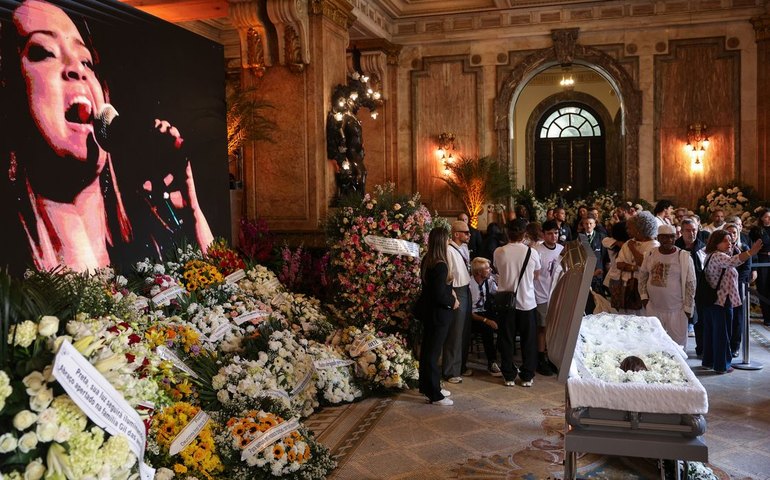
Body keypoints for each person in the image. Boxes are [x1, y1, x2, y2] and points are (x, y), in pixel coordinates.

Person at [0, 0, 213, 273]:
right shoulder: (14, 272)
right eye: (45, 52)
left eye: (87, 61)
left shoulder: (144, 235)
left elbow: (214, 288)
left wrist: (191, 210)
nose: (76, 69)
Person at [701, 229, 762, 373]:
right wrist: (750, 253)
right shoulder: (718, 256)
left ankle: (709, 362)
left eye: (730, 240)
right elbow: (732, 261)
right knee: (722, 335)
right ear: (716, 243)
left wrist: (734, 247)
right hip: (721, 301)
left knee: (712, 333)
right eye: (725, 241)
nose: (729, 243)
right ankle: (722, 365)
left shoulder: (712, 255)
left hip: (713, 301)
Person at [494, 221, 541, 387]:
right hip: (527, 301)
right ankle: (527, 376)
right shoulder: (532, 252)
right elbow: (537, 274)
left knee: (506, 339)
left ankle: (508, 375)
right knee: (528, 341)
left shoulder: (499, 252)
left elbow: (499, 271)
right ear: (524, 235)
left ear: (508, 233)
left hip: (506, 303)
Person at [417, 227, 458, 406]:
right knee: (432, 355)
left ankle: (428, 386)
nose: (449, 241)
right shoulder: (441, 264)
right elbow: (438, 294)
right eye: (448, 238)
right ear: (443, 241)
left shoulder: (428, 259)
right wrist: (452, 301)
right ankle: (435, 395)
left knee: (427, 352)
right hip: (439, 314)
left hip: (429, 313)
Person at [639, 224, 696, 348]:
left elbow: (691, 284)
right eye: (665, 237)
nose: (669, 240)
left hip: (677, 310)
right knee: (654, 345)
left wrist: (688, 308)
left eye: (672, 237)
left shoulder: (683, 256)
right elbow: (643, 276)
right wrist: (644, 298)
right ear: (658, 238)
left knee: (677, 347)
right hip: (653, 308)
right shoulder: (650, 254)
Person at [533, 220, 563, 376]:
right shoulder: (537, 251)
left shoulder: (562, 250)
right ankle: (540, 358)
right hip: (541, 294)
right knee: (542, 328)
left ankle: (552, 357)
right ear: (543, 234)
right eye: (550, 233)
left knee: (554, 328)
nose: (554, 236)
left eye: (556, 233)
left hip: (556, 295)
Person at [443, 220, 472, 383]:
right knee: (455, 332)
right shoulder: (449, 250)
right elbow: (448, 276)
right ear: (456, 234)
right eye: (466, 232)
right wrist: (453, 295)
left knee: (463, 331)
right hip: (457, 291)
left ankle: (459, 367)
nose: (469, 235)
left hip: (465, 288)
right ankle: (450, 371)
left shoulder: (462, 248)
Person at [615, 212, 659, 314]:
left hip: (644, 289)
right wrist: (634, 268)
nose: (627, 231)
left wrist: (632, 248)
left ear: (640, 229)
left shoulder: (654, 245)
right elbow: (619, 264)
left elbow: (642, 262)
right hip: (626, 288)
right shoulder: (628, 242)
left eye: (630, 228)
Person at [676, 218, 708, 356]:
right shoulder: (675, 248)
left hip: (700, 292)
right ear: (681, 232)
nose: (691, 233)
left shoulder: (703, 248)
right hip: (678, 292)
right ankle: (677, 350)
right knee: (679, 322)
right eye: (688, 230)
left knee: (700, 322)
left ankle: (702, 350)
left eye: (694, 230)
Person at [468, 257, 502, 376]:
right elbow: (470, 312)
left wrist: (500, 282)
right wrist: (486, 321)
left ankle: (504, 359)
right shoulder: (470, 285)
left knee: (504, 324)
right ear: (479, 272)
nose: (490, 270)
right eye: (487, 268)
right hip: (473, 316)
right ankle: (491, 362)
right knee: (487, 328)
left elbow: (497, 293)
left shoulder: (489, 281)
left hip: (486, 311)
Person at [724, 222, 752, 357]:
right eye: (729, 233)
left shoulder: (744, 248)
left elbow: (746, 269)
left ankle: (735, 346)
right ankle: (724, 343)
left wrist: (736, 283)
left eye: (734, 233)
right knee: (725, 317)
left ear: (738, 234)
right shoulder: (722, 249)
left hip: (738, 287)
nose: (732, 235)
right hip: (723, 288)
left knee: (738, 318)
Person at [750, 208, 770, 326]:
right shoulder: (756, 230)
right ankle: (766, 317)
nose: (769, 219)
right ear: (761, 218)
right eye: (766, 216)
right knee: (763, 288)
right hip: (762, 259)